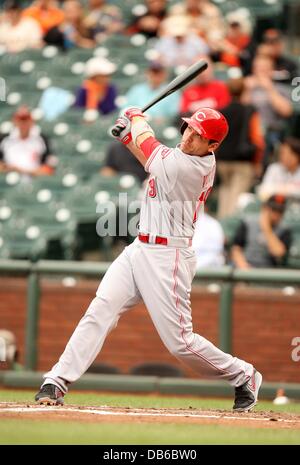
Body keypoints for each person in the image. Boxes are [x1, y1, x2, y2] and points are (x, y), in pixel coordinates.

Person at [35, 106, 262, 413]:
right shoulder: (179, 158)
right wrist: (127, 135)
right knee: (100, 310)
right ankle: (57, 379)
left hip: (169, 257)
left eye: (199, 136)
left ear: (213, 146)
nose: (190, 136)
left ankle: (243, 374)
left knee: (180, 342)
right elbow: (148, 158)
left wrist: (135, 118)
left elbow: (150, 148)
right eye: (189, 129)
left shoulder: (193, 167)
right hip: (140, 247)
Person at [216, 78, 265, 218]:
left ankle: (221, 227)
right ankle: (227, 232)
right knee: (235, 201)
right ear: (243, 91)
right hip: (243, 162)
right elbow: (257, 139)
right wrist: (257, 163)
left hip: (223, 161)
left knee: (224, 196)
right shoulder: (249, 111)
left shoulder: (221, 111)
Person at [231, 194, 291, 269]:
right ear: (265, 208)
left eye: (280, 211)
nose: (277, 214)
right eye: (274, 209)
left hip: (267, 271)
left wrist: (266, 228)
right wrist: (244, 267)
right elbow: (236, 249)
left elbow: (278, 253)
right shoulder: (248, 222)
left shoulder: (284, 229)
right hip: (244, 267)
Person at [0, 106, 55, 177]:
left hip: (34, 180)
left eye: (26, 119)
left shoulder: (42, 139)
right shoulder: (4, 139)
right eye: (20, 120)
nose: (23, 123)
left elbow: (49, 168)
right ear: (15, 121)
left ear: (31, 121)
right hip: (9, 178)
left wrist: (21, 171)